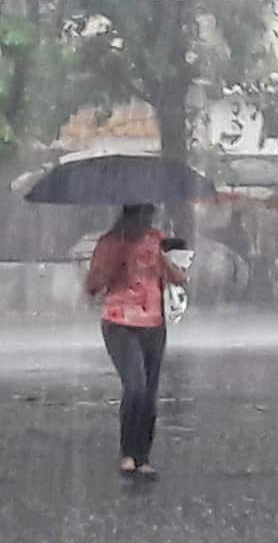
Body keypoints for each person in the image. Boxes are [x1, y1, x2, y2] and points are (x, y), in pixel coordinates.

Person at [85, 204, 187, 480]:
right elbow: (92, 286)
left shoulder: (157, 240)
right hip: (119, 323)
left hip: (154, 325)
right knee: (135, 386)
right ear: (127, 217)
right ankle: (128, 452)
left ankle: (143, 455)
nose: (145, 223)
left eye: (149, 217)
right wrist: (113, 265)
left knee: (150, 393)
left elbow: (179, 278)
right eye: (140, 217)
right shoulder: (110, 243)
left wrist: (165, 264)